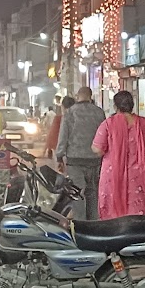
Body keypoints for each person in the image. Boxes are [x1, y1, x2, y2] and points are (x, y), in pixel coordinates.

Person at [93, 90, 145, 218]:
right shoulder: (144, 124)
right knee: (136, 211)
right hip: (138, 175)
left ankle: (117, 234)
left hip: (114, 175)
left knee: (113, 214)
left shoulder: (109, 124)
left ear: (115, 106)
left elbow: (97, 149)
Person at [57, 86, 107, 219]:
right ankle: (93, 224)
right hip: (94, 160)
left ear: (77, 96)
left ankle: (80, 224)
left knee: (77, 193)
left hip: (75, 160)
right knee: (92, 192)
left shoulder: (70, 113)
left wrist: (59, 156)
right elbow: (103, 137)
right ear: (91, 96)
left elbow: (63, 136)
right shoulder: (99, 113)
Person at [46, 95, 73, 160]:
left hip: (64, 153)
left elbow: (54, 136)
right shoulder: (80, 118)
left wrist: (58, 155)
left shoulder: (59, 119)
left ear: (62, 107)